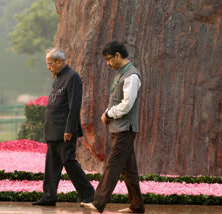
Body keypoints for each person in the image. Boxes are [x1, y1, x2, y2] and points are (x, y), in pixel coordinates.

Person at [82, 41, 145, 213]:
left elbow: (126, 105)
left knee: (113, 165)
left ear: (118, 55)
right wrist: (108, 113)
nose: (107, 63)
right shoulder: (120, 73)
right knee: (128, 170)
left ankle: (98, 202)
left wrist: (109, 114)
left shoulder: (131, 76)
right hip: (119, 129)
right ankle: (137, 205)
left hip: (125, 129)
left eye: (109, 59)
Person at [32, 48, 95, 206]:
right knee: (51, 164)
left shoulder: (72, 77)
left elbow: (74, 106)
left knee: (69, 163)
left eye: (50, 63)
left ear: (59, 61)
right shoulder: (58, 77)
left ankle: (89, 195)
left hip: (64, 131)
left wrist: (69, 129)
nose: (48, 67)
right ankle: (49, 196)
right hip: (53, 130)